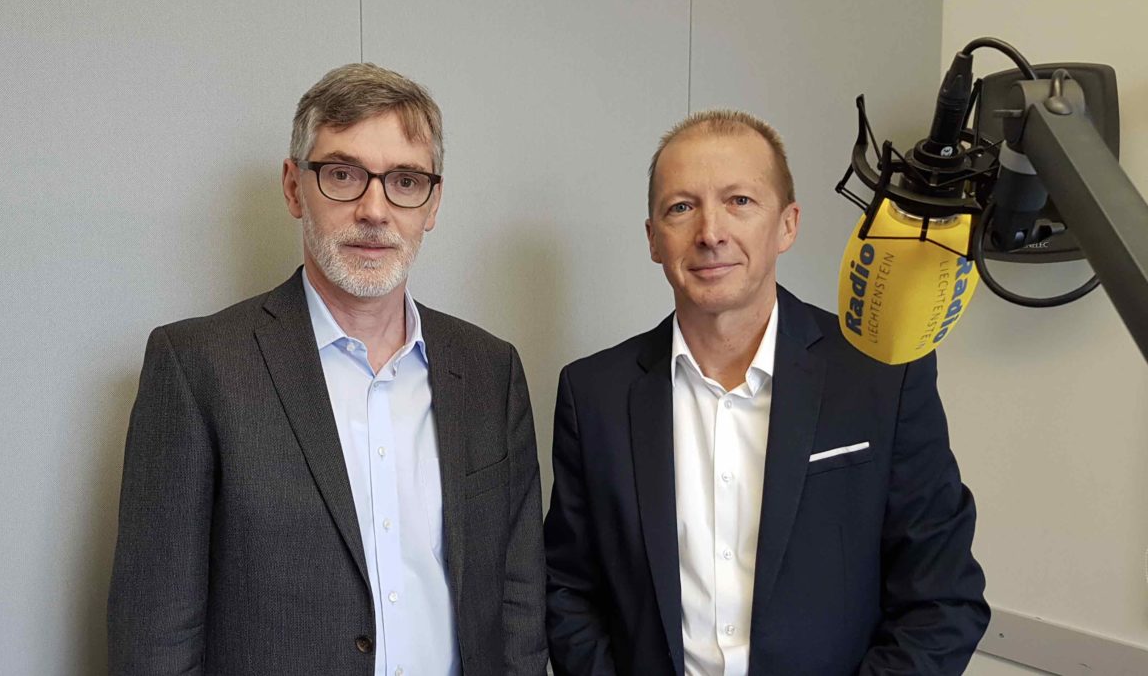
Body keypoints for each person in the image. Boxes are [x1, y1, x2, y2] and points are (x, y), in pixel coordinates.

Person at [108, 63, 546, 675]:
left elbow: (519, 603)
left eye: (405, 180)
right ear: (294, 187)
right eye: (343, 174)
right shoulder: (197, 368)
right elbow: (156, 637)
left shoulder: (490, 371)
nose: (375, 209)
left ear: (433, 203)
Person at [543, 110, 988, 674]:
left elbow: (943, 598)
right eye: (681, 207)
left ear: (787, 225)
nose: (710, 233)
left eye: (740, 201)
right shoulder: (593, 394)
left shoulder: (882, 376)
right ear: (653, 239)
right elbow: (568, 590)